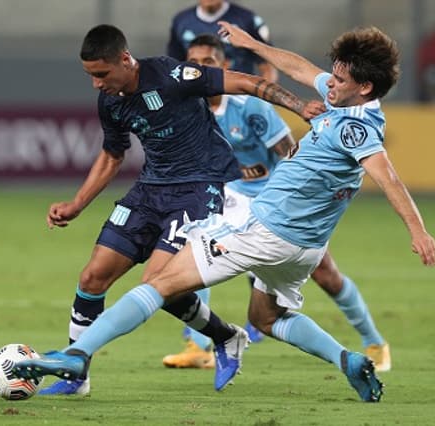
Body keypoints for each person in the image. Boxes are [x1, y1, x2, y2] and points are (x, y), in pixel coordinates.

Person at [14, 24, 435, 403]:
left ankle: (76, 355)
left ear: (363, 87)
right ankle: (346, 359)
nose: (327, 83)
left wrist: (417, 231)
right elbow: (300, 68)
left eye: (339, 79)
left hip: (266, 231)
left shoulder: (356, 127)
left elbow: (388, 177)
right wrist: (252, 43)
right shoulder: (346, 98)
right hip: (305, 247)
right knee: (267, 318)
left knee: (159, 283)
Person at [37, 24, 323, 396]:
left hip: (198, 190)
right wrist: (77, 204)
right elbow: (113, 153)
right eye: (90, 76)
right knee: (92, 278)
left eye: (102, 74)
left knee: (155, 285)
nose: (96, 84)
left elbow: (246, 82)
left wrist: (300, 106)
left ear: (125, 59)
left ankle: (222, 338)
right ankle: (78, 379)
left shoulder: (172, 75)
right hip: (148, 190)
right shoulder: (110, 100)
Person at [161, 34, 391, 373]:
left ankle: (373, 340)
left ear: (223, 66)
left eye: (207, 62)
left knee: (327, 276)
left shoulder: (250, 106)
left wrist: (290, 192)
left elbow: (288, 151)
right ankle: (198, 345)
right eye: (192, 62)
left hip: (280, 200)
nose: (198, 68)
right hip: (234, 197)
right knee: (198, 243)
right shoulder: (186, 108)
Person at [167, 0, 278, 82]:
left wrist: (261, 102)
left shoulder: (247, 19)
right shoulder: (181, 21)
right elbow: (174, 68)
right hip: (199, 97)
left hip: (240, 96)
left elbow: (267, 67)